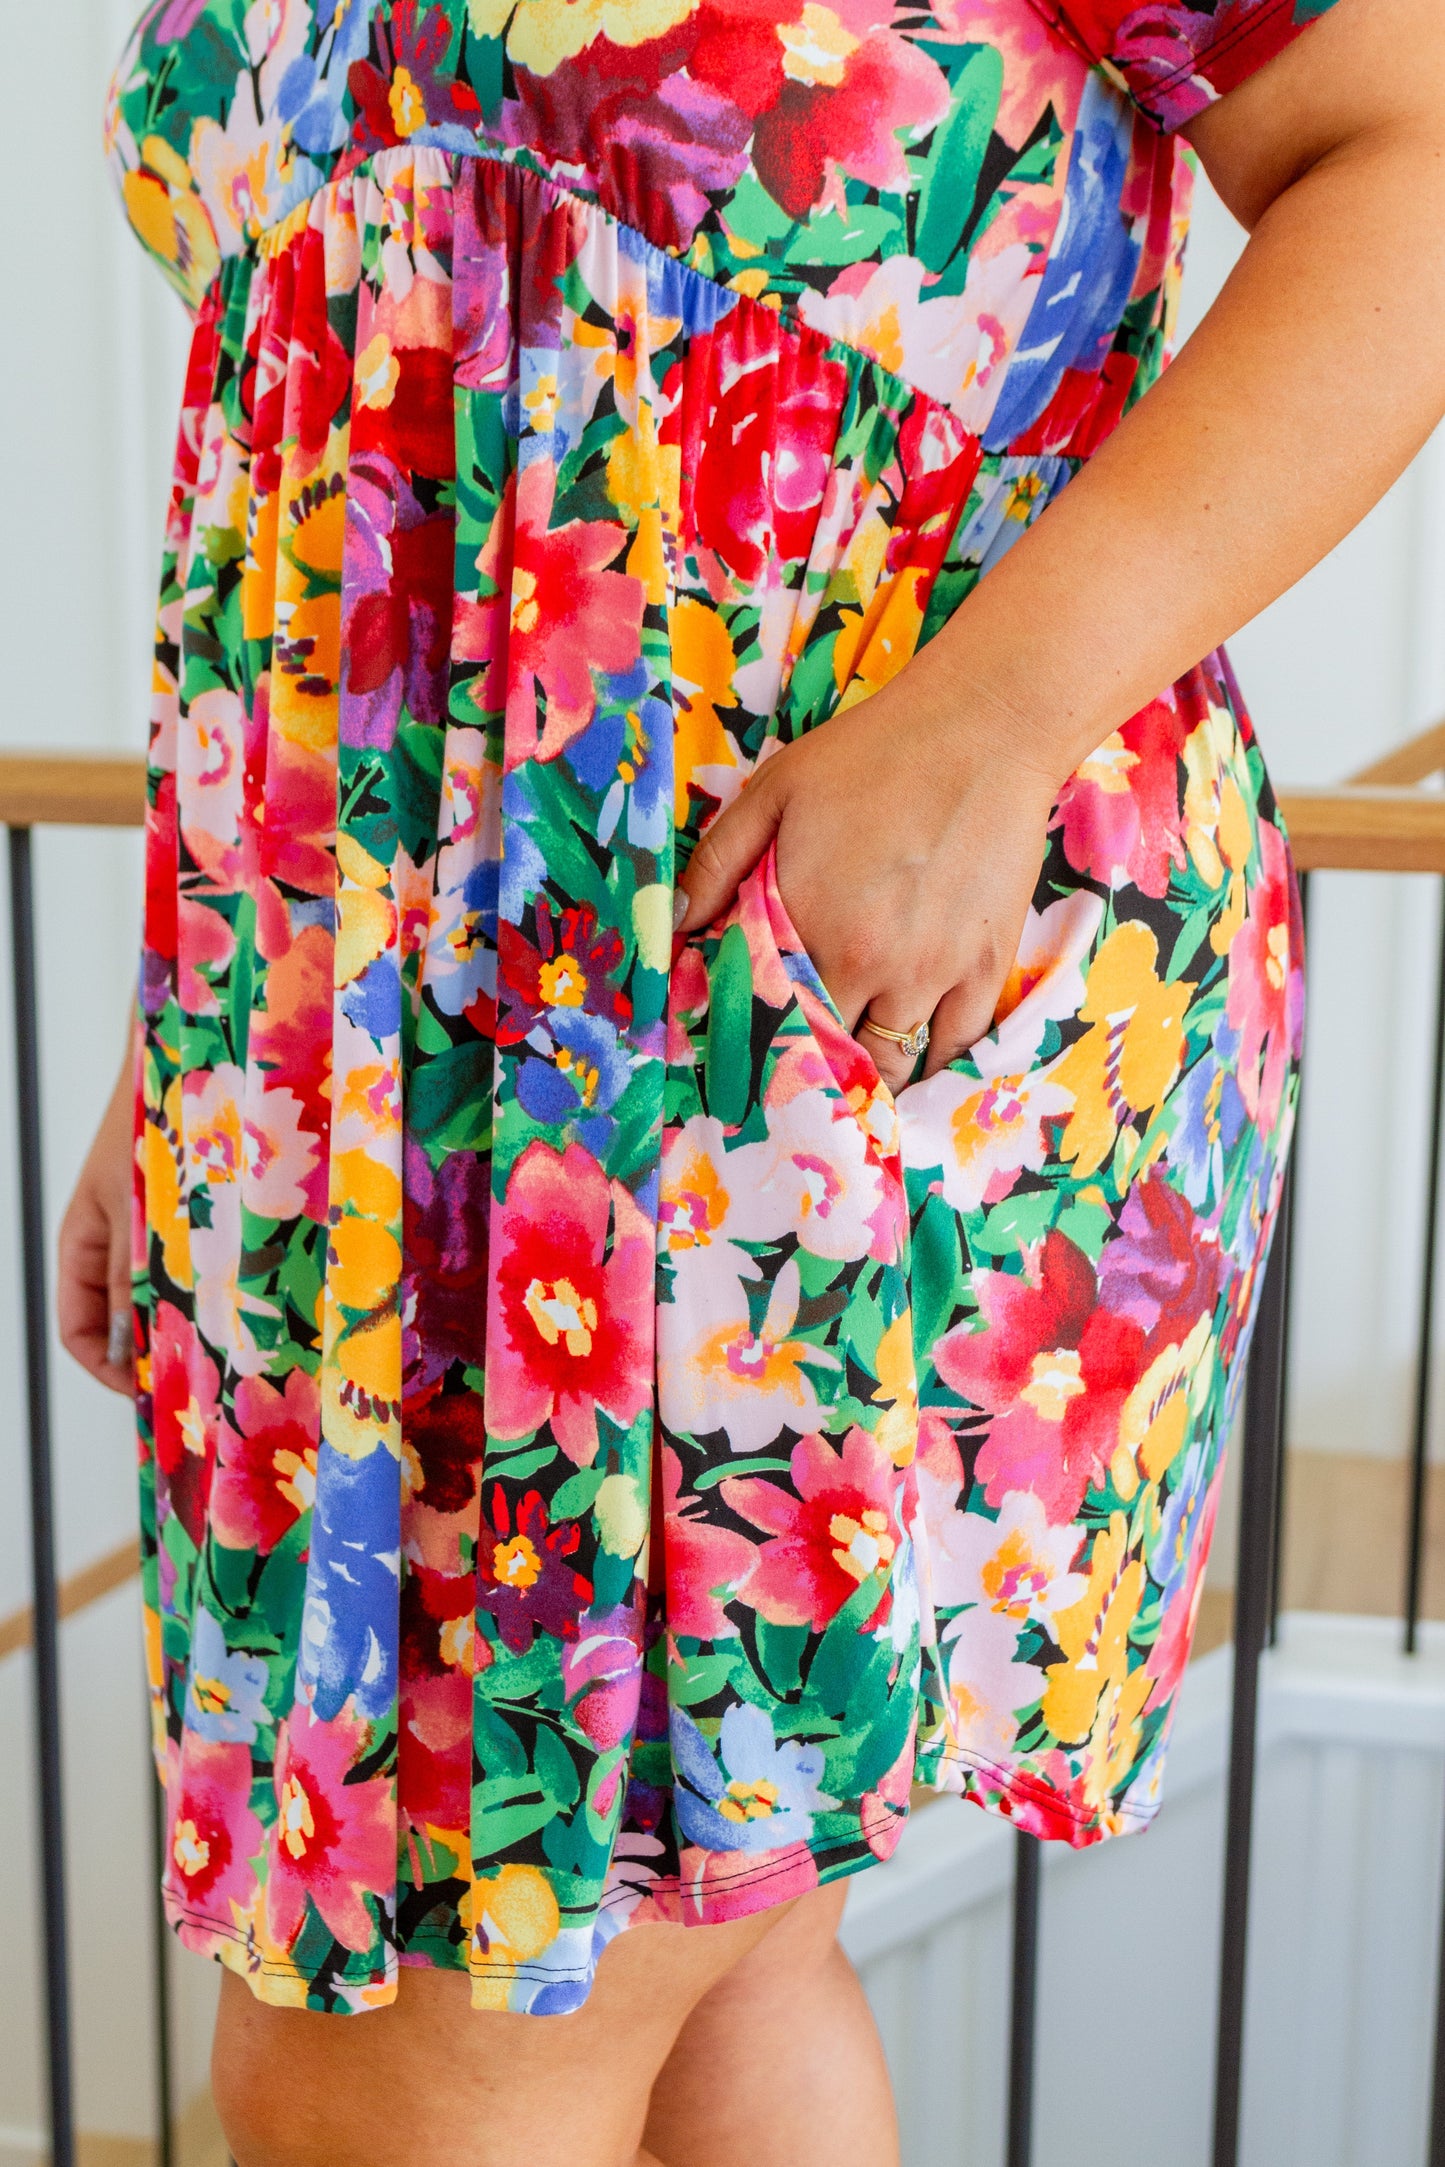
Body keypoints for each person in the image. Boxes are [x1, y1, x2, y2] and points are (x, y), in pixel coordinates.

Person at [58, 0, 1444, 2159]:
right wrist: (200, 1048)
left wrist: (988, 726)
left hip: (775, 1029)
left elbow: (1418, 159)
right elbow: (327, 459)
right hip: (349, 1087)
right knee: (713, 1955)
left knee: (405, 2056)